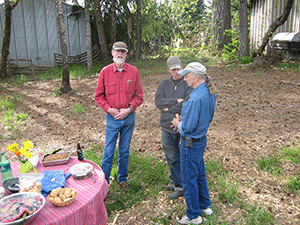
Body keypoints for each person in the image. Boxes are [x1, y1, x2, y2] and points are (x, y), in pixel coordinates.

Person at [171, 62, 216, 224]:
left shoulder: (195, 98)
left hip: (190, 144)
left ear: (196, 77)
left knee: (189, 178)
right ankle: (205, 205)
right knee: (199, 174)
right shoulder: (208, 92)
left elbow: (188, 128)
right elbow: (206, 117)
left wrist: (178, 124)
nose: (184, 79)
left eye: (187, 75)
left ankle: (193, 215)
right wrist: (189, 119)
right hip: (201, 140)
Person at [94, 41, 143, 188]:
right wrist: (110, 109)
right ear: (112, 53)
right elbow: (98, 96)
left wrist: (129, 109)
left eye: (123, 51)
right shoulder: (105, 72)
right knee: (108, 152)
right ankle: (104, 183)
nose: (120, 54)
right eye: (117, 51)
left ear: (127, 54)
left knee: (124, 151)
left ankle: (122, 179)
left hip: (128, 118)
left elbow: (139, 96)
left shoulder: (134, 72)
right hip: (112, 119)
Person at [155, 56, 193, 199]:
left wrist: (169, 108)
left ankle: (182, 185)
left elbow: (187, 103)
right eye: (173, 69)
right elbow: (158, 102)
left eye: (178, 68)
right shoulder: (163, 84)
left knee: (183, 156)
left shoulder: (188, 83)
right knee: (171, 156)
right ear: (168, 70)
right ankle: (176, 182)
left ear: (182, 66)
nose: (176, 72)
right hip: (166, 126)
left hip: (183, 126)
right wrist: (175, 101)